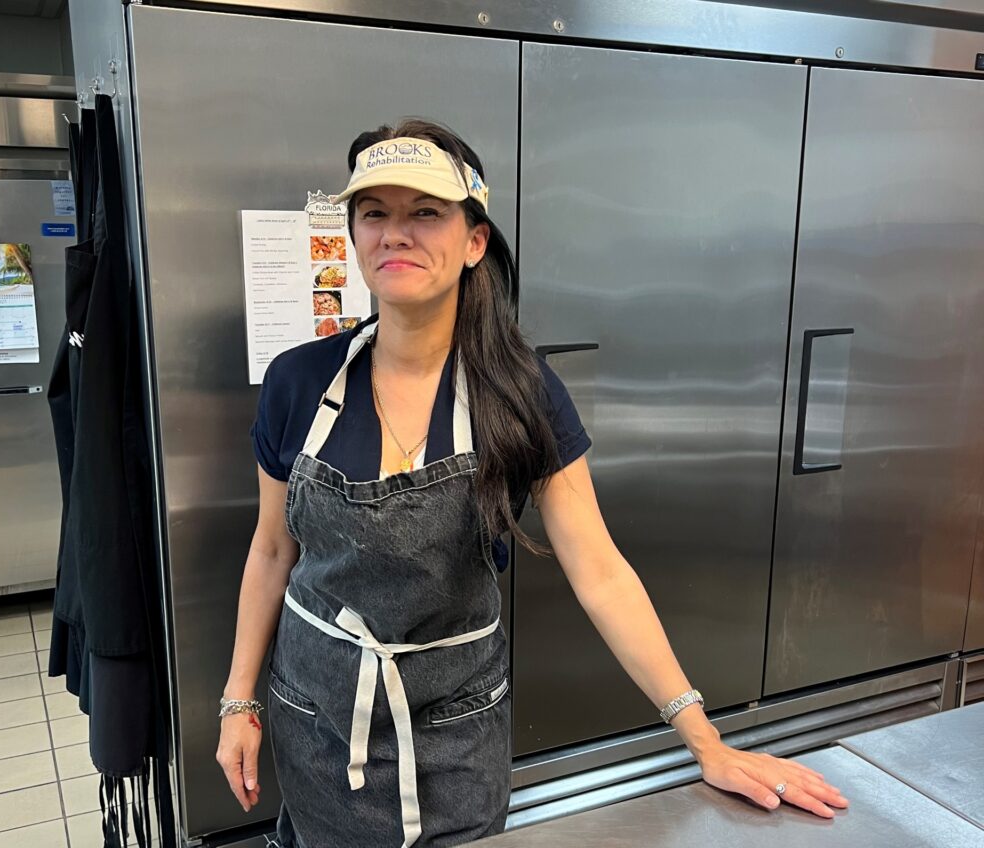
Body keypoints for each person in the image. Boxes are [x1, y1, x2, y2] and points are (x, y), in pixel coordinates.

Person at [216, 119, 849, 847]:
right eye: (374, 213)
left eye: (426, 212)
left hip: (454, 737)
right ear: (355, 235)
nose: (395, 234)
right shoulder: (299, 381)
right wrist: (239, 701)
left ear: (474, 241)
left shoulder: (520, 393)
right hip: (318, 721)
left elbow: (600, 570)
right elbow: (273, 550)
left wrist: (705, 741)